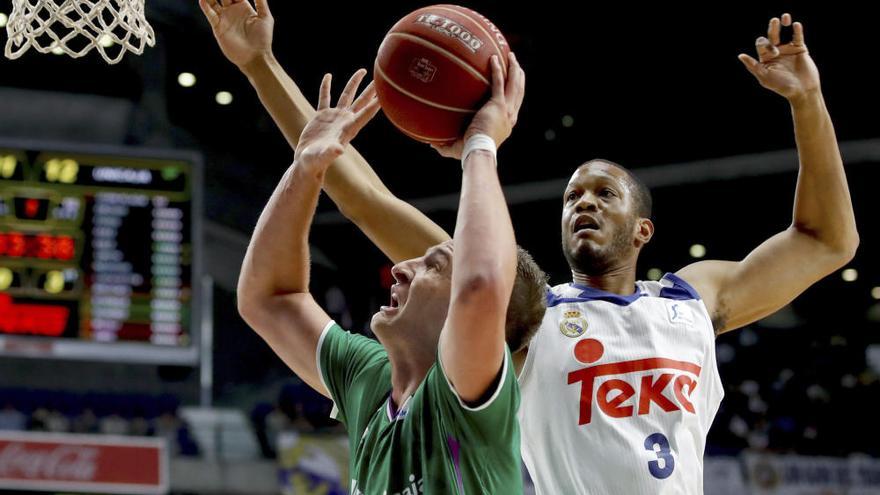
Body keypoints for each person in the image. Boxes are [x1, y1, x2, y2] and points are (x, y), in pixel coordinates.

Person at [201, 2, 859, 493]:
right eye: (574, 195)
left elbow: (827, 240)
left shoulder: (693, 300)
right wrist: (259, 64)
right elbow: (363, 198)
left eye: (604, 191)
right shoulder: (525, 307)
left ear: (643, 230)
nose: (584, 202)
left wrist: (809, 100)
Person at [216, 6, 542, 487]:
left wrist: (481, 143)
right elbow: (269, 298)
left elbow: (482, 284)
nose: (400, 266)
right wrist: (303, 169)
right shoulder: (371, 381)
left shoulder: (465, 394)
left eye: (434, 261)